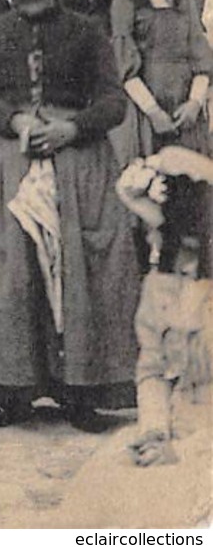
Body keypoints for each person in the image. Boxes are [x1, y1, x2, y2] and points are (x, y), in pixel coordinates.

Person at [0, 0, 140, 432]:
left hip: (79, 166)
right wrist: (14, 121)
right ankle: (13, 392)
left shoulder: (86, 32)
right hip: (7, 166)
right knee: (12, 274)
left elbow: (112, 101)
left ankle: (81, 394)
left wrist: (71, 127)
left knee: (80, 273)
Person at [116, 145, 213, 465]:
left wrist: (187, 451)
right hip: (176, 429)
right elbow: (152, 372)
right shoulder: (160, 289)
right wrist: (155, 432)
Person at [111, 0, 213, 162]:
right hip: (145, 108)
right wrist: (153, 112)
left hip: (186, 106)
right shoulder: (125, 3)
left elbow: (201, 60)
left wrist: (195, 103)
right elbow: (126, 69)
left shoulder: (184, 2)